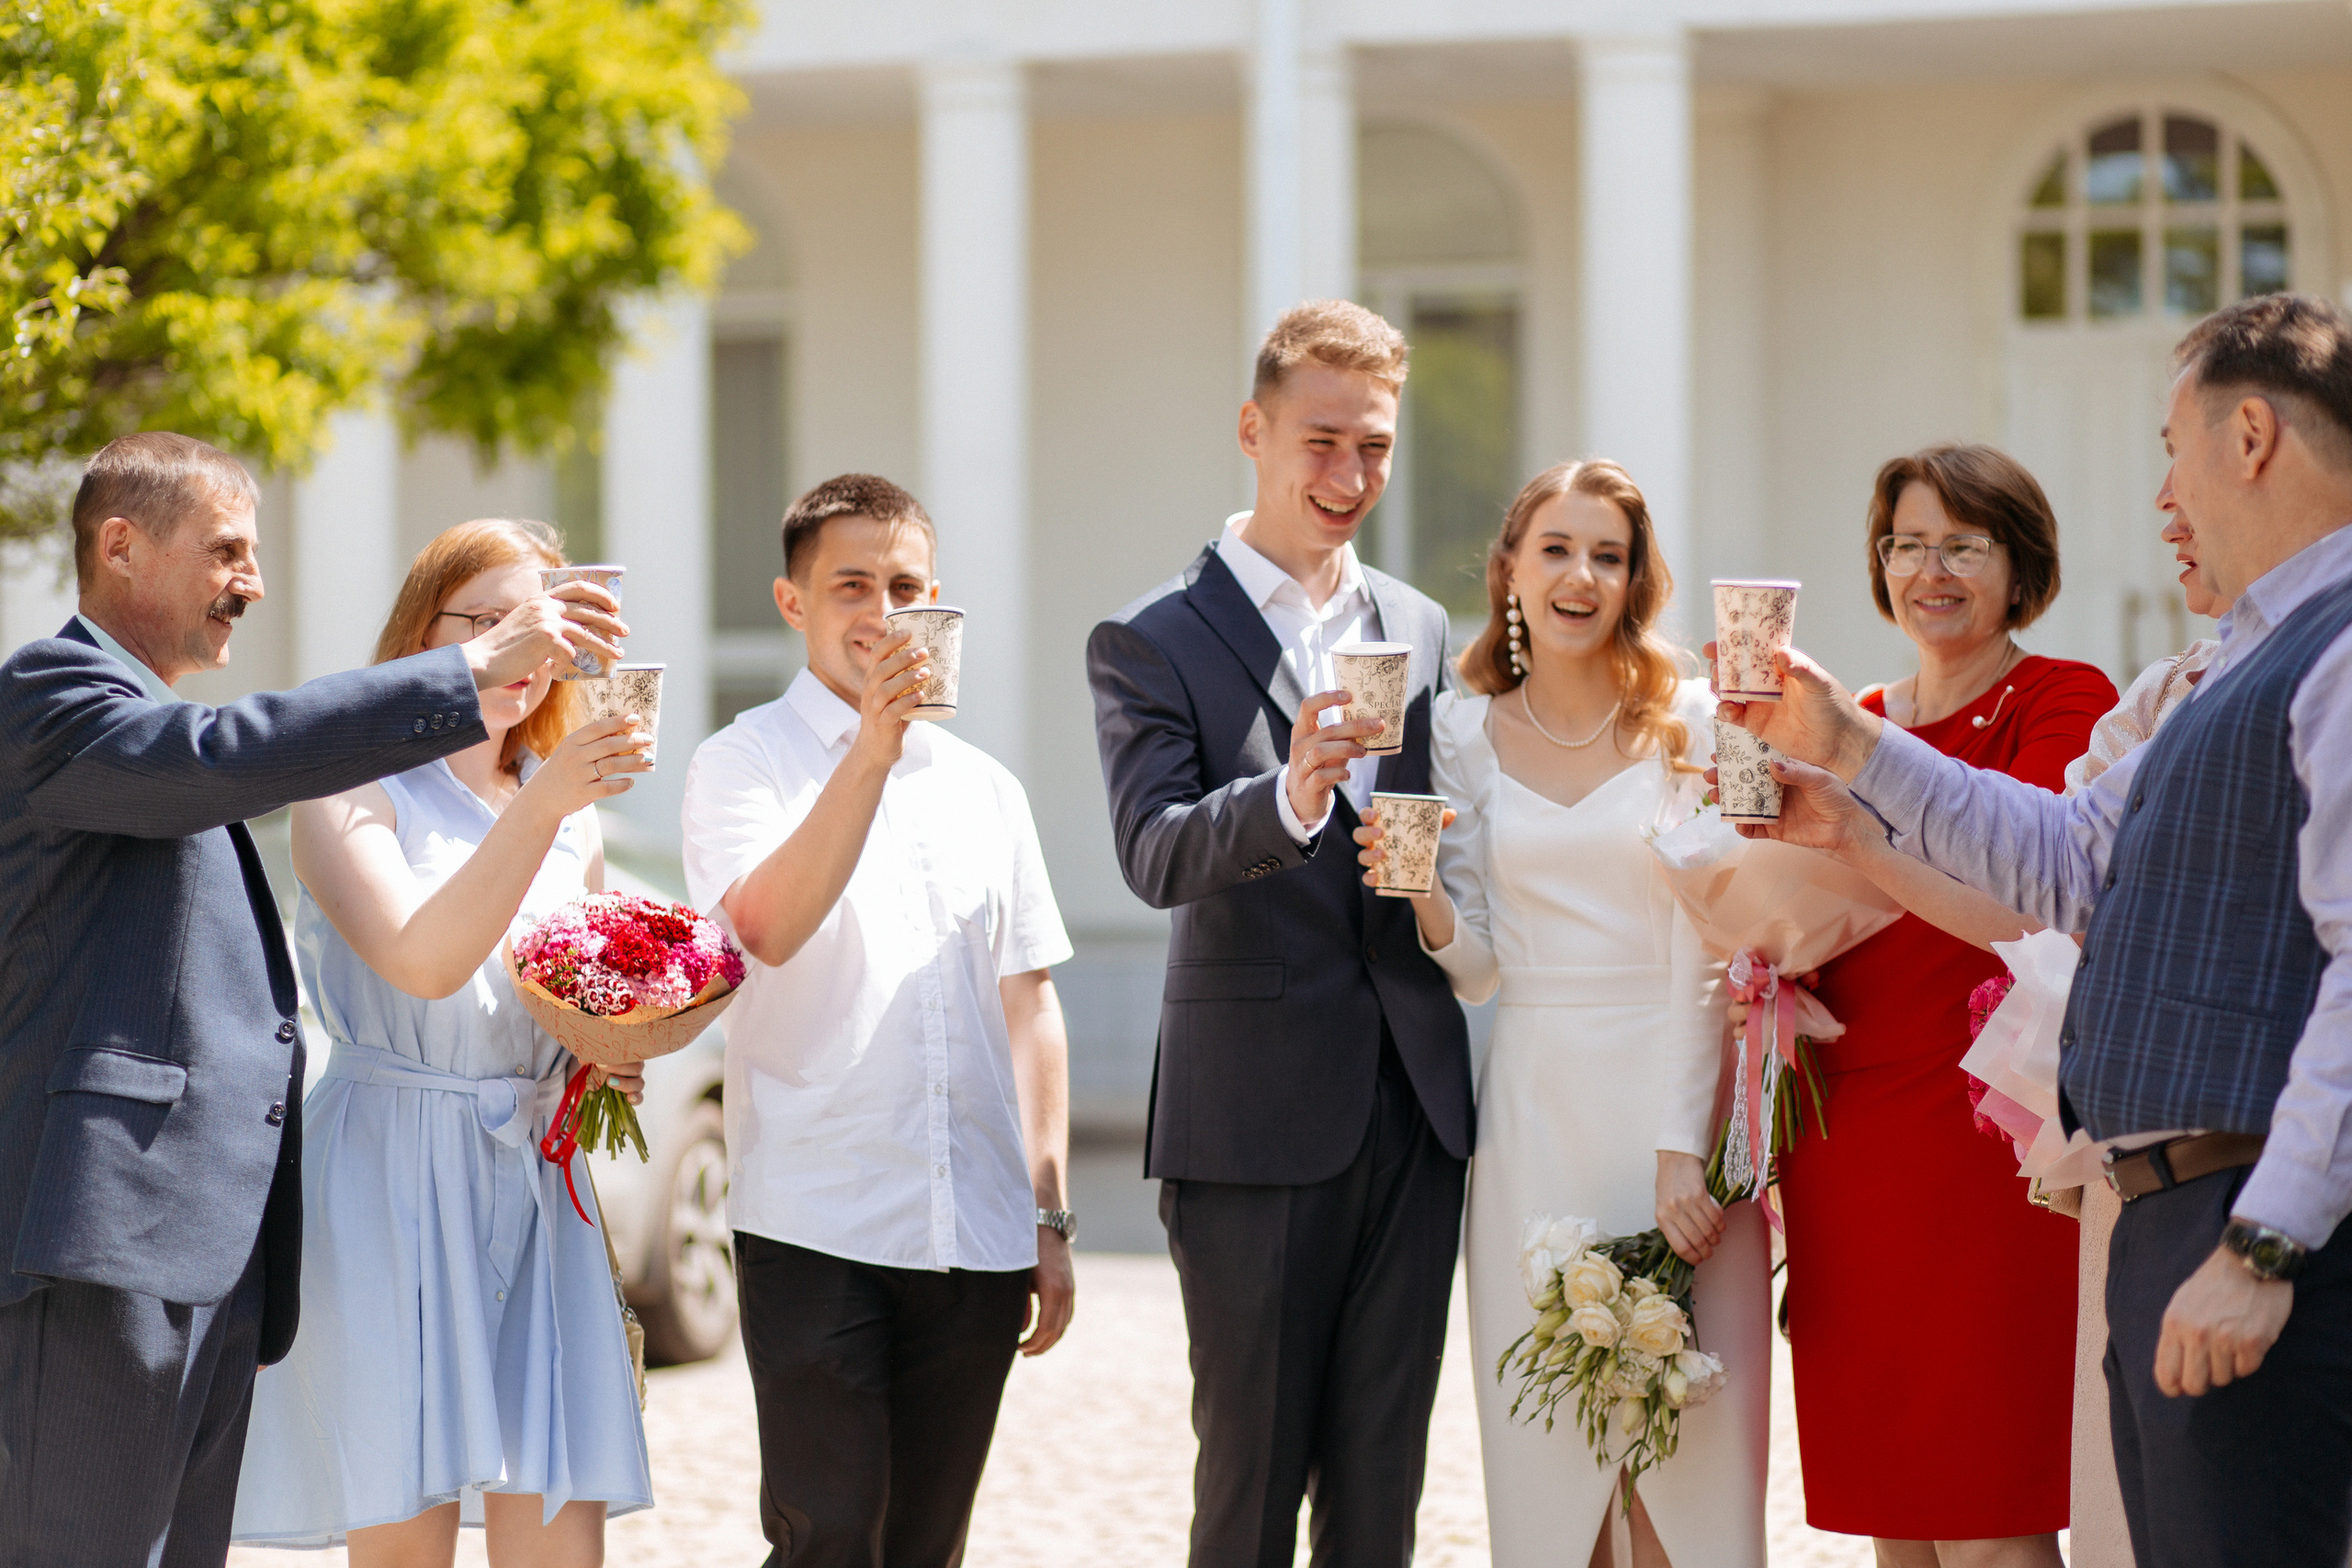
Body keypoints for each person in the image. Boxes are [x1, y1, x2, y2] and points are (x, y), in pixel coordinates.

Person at [1726, 292, 2352, 1568]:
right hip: (2161, 1200)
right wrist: (1846, 743)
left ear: (2248, 438)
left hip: (2239, 1205)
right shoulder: (2237, 660)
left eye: (2173, 447)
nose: (2165, 491)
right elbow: (2064, 854)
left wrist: (2265, 1234)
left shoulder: (2333, 653)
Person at [0, 434, 623, 1566]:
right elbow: (221, 753)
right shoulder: (54, 693)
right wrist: (472, 680)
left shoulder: (155, 727)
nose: (255, 581)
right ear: (121, 545)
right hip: (105, 1249)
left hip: (201, 1252)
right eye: (228, 550)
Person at [1087, 299, 1474, 1568]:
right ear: (1253, 430)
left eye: (1374, 447)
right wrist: (1295, 793)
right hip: (1249, 1122)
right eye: (1322, 442)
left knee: (1382, 1496)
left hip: (1412, 1111)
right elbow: (1153, 853)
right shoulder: (1154, 637)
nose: (1350, 475)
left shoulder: (1418, 627)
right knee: (1249, 1491)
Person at [1358, 459, 1764, 1567]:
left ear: (1635, 581)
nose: (1579, 574)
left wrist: (1683, 1148)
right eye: (1555, 548)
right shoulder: (1457, 732)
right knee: (1555, 1480)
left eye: (1608, 554)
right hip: (1535, 1118)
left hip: (1677, 1111)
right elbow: (1483, 974)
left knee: (1691, 1476)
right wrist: (1425, 900)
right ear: (1508, 573)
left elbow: (1712, 946)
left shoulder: (1699, 718)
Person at [231, 519, 656, 1562]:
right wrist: (552, 798)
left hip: (537, 1185)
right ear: (426, 631)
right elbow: (422, 962)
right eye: (493, 619)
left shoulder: (572, 813)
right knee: (405, 1540)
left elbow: (572, 1002)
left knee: (561, 1530)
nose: (525, 646)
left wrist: (606, 1055)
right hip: (389, 1180)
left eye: (545, 622)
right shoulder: (347, 789)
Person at [681, 473, 1076, 1568]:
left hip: (978, 1232)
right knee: (828, 1539)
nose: (881, 608)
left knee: (926, 1548)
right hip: (817, 1216)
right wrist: (873, 750)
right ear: (791, 601)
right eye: (851, 583)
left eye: (905, 585)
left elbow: (1029, 1002)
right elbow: (765, 927)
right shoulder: (741, 762)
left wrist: (1048, 1216)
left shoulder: (990, 788)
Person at [1768, 444, 2115, 1566]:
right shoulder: (1850, 714)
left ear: (2021, 568)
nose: (1932, 569)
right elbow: (1800, 926)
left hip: (1986, 1142)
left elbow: (2038, 910)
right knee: (1896, 1514)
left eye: (1964, 545)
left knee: (1988, 1512)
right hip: (1851, 1146)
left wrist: (1852, 837)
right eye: (1908, 544)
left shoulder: (2066, 700)